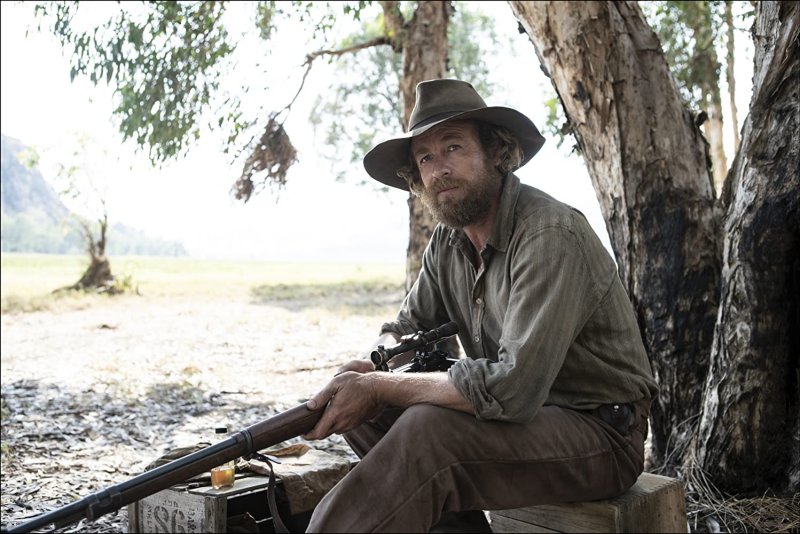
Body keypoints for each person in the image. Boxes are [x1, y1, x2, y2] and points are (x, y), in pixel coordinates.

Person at [302, 79, 659, 533]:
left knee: (427, 432)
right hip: (523, 423)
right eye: (425, 158)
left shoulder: (548, 233)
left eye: (453, 147)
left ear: (496, 152)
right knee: (360, 413)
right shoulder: (448, 242)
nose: (439, 170)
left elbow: (511, 387)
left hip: (601, 433)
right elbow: (407, 326)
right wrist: (378, 363)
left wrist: (381, 385)